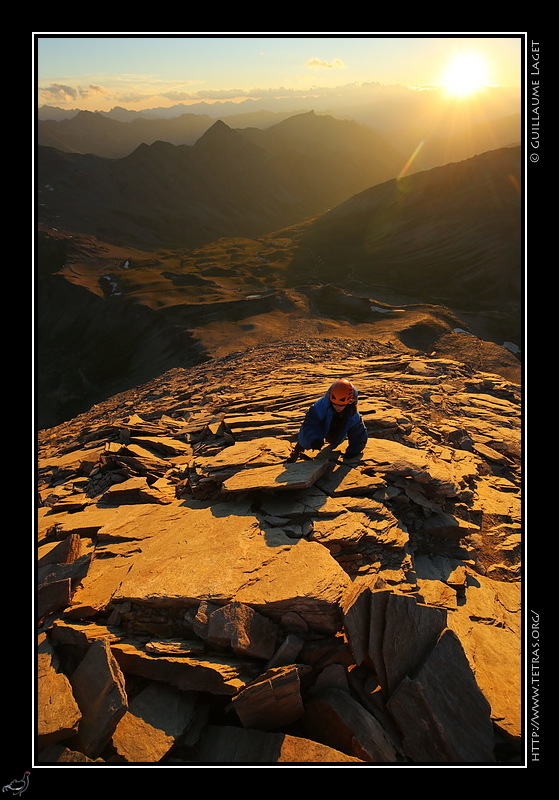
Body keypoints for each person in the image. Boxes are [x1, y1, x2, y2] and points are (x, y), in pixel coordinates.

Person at [287, 379, 368, 462]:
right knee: (305, 440)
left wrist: (354, 452)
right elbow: (310, 425)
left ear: (350, 401)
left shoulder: (353, 414)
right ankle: (297, 451)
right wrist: (314, 439)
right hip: (322, 424)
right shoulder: (319, 407)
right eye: (334, 404)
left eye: (341, 405)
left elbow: (358, 434)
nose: (337, 407)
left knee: (335, 441)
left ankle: (333, 439)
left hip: (338, 425)